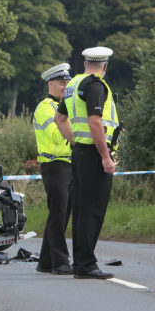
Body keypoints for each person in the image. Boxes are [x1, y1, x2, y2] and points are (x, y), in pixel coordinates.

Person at [54, 47, 120, 279]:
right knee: (92, 211)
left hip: (80, 153)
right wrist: (105, 156)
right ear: (104, 66)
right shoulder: (95, 85)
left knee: (82, 211)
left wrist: (75, 141)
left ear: (84, 64)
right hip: (94, 154)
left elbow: (59, 119)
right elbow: (95, 122)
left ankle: (82, 263)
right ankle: (86, 265)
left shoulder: (73, 85)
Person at [33, 63, 74, 275]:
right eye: (60, 82)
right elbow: (56, 135)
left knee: (60, 215)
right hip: (54, 165)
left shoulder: (66, 108)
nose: (64, 86)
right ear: (50, 84)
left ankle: (45, 262)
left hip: (68, 164)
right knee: (58, 215)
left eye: (67, 82)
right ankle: (60, 263)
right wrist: (73, 125)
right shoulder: (45, 108)